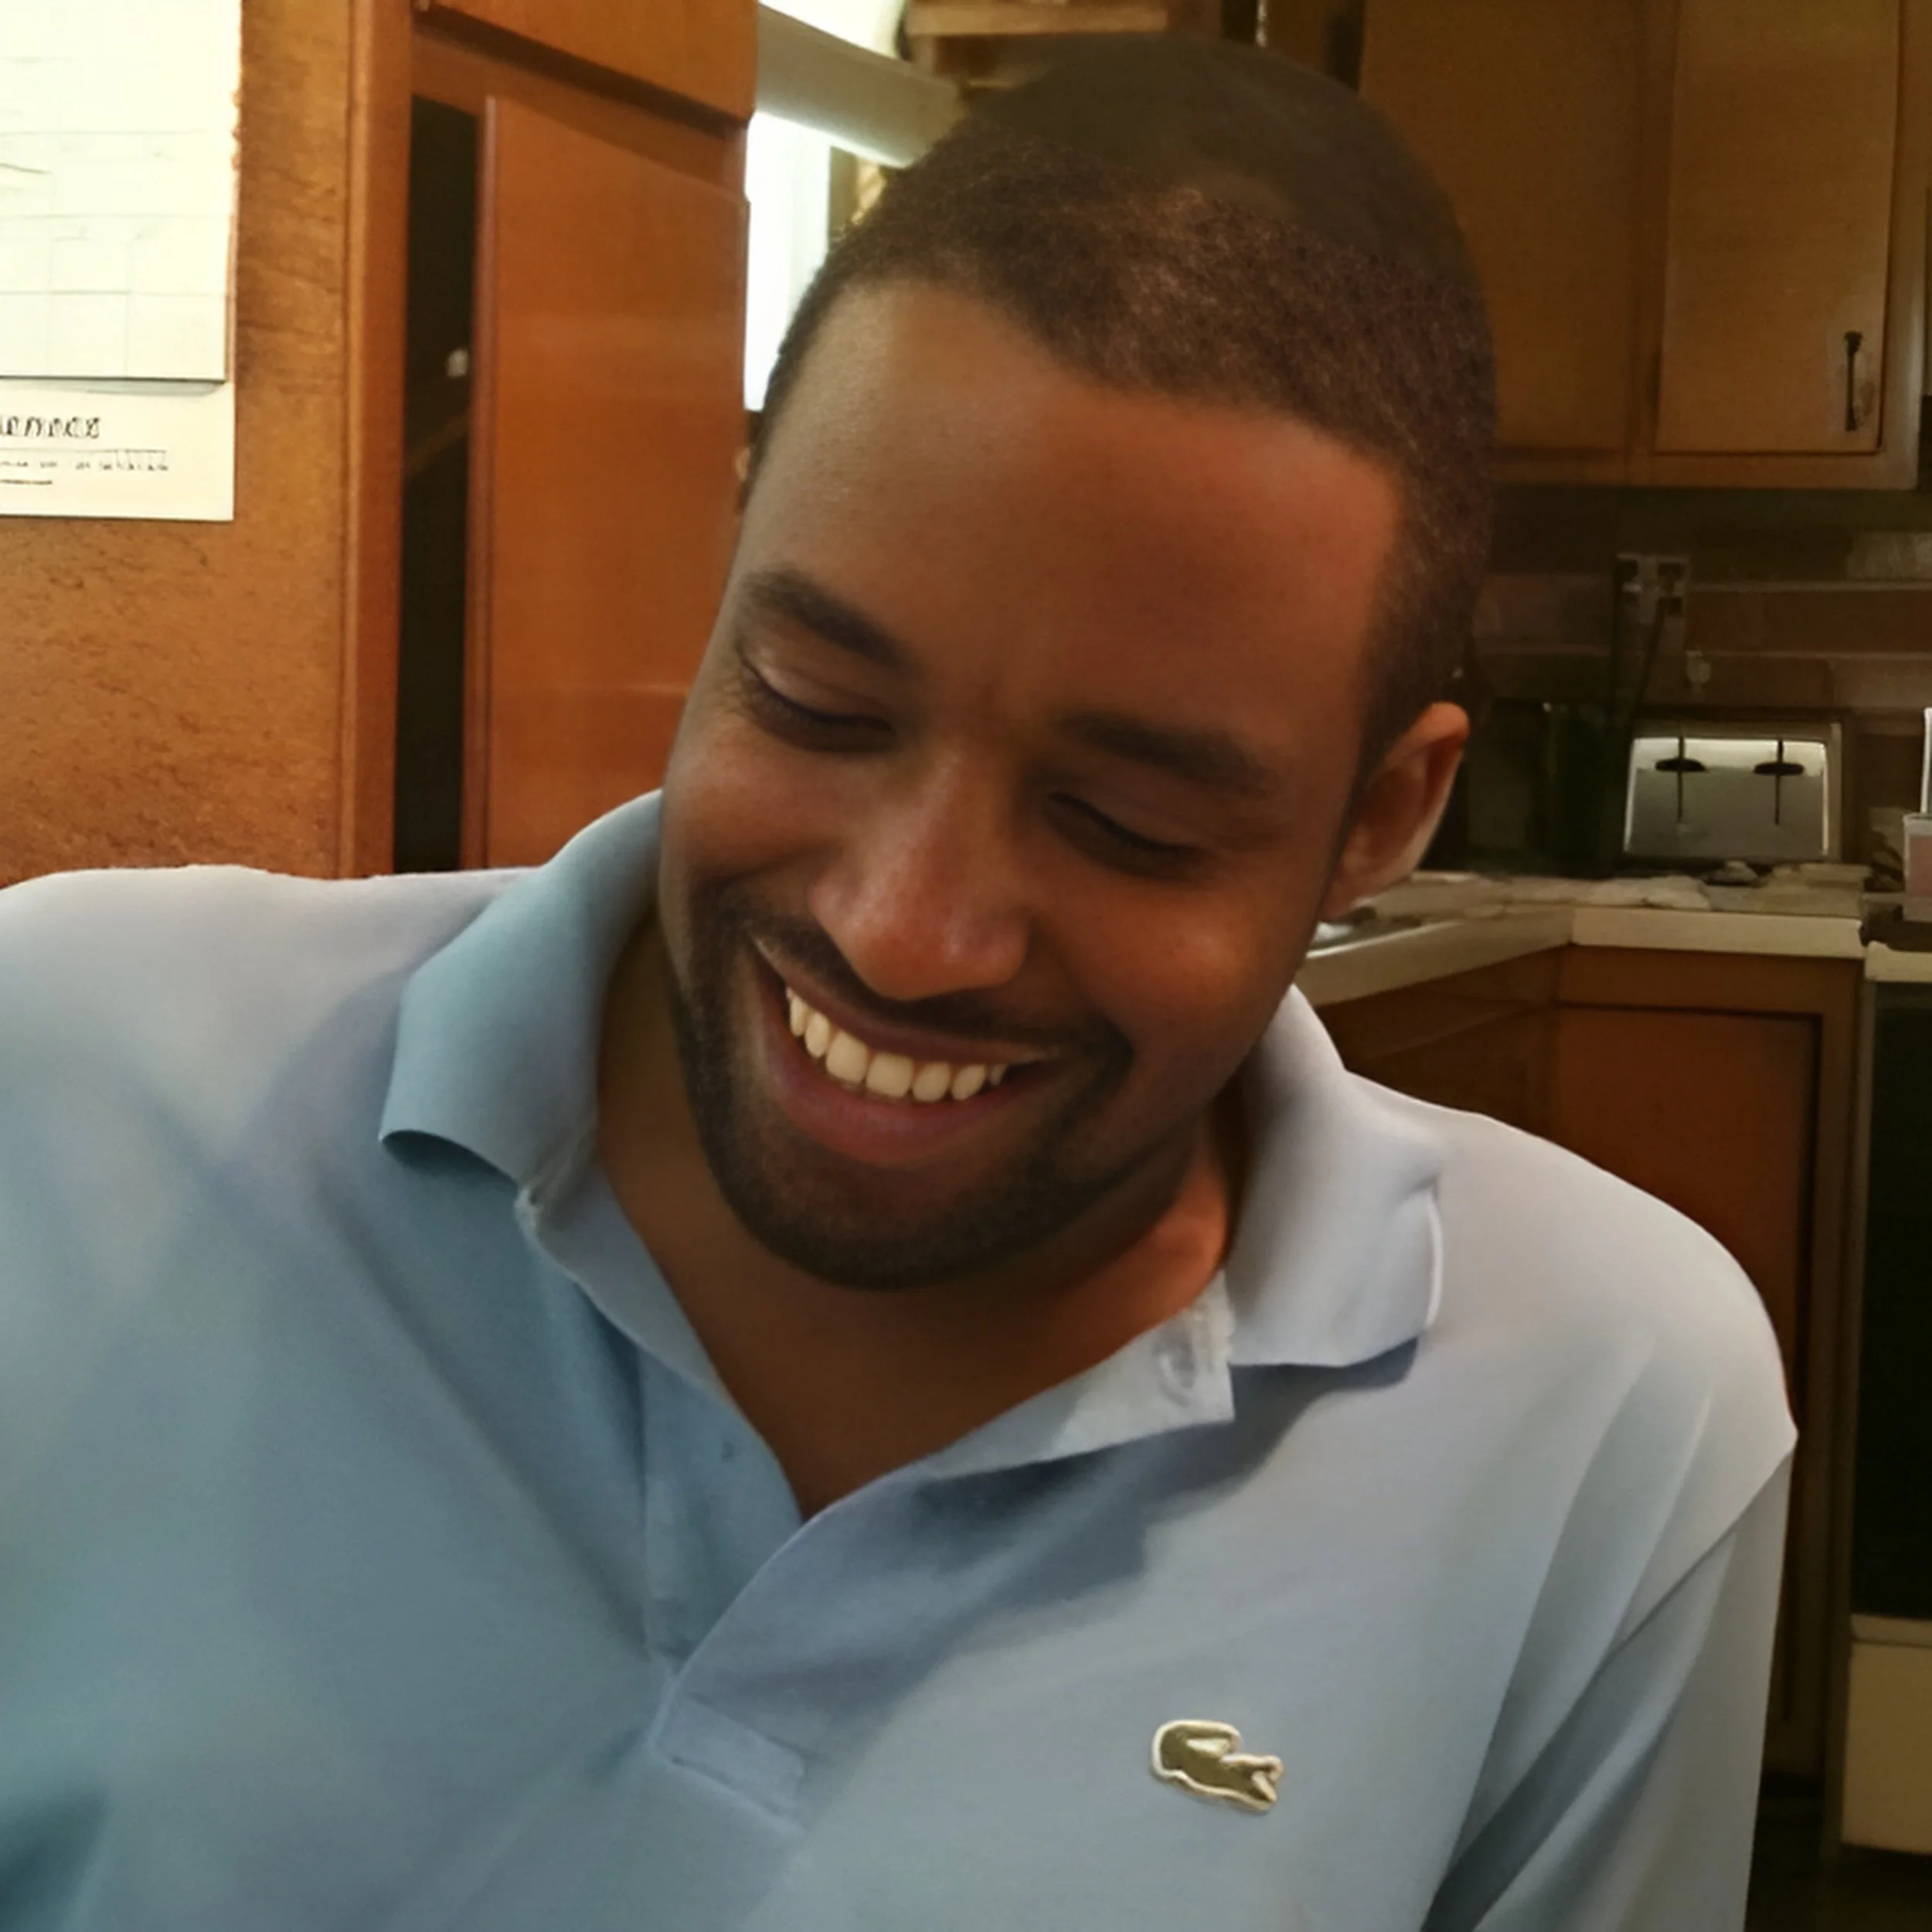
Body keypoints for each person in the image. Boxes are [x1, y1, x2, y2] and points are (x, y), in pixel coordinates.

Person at [0, 39, 1791, 1932]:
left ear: (1379, 814)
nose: (902, 928)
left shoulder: (1599, 1410)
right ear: (736, 547)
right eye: (817, 704)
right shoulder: (69, 1086)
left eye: (1122, 819)